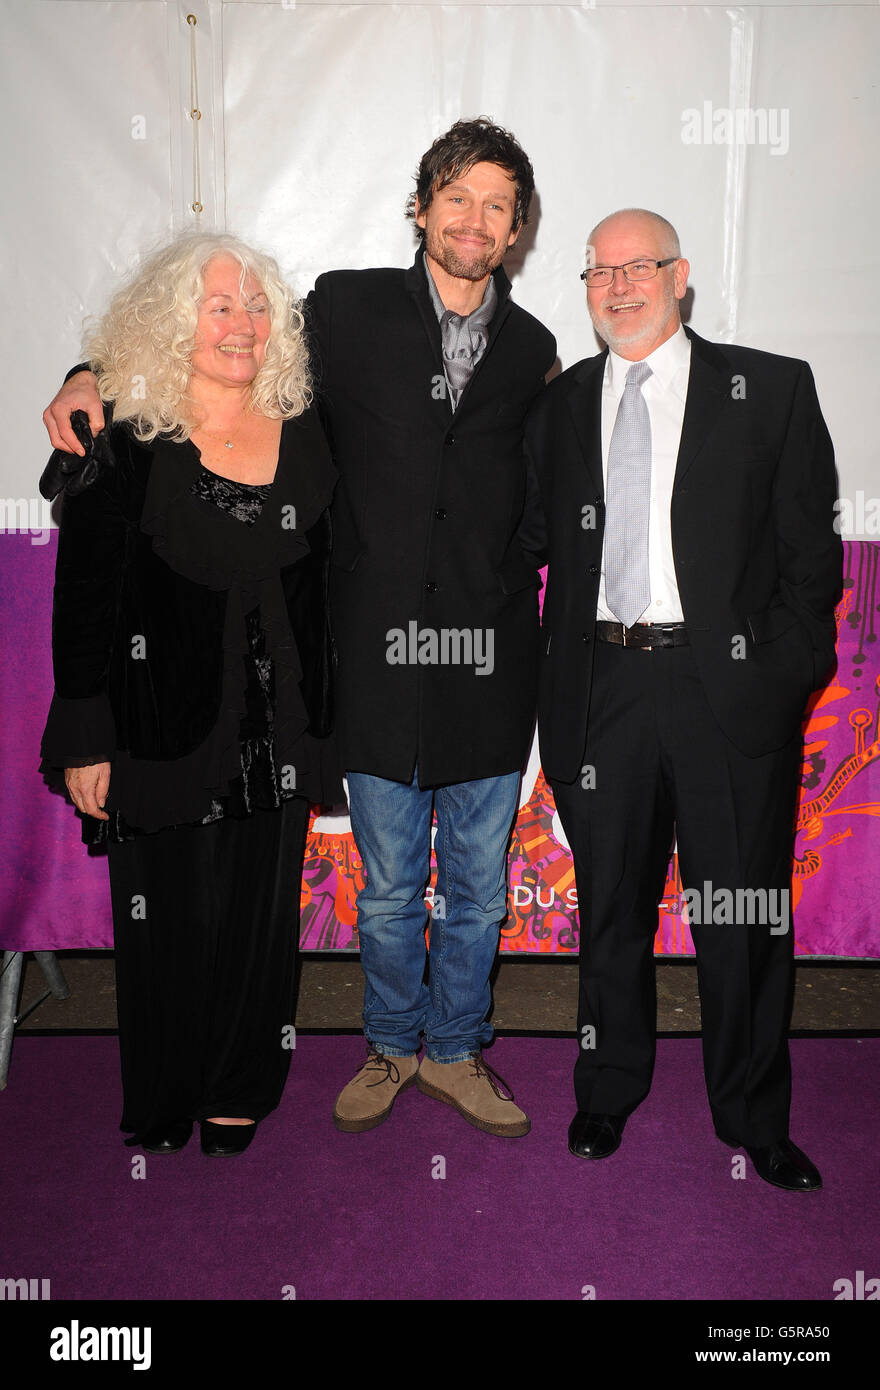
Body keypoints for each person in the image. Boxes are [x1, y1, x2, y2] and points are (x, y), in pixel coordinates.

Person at [45, 117, 556, 1140]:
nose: (474, 219)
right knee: (385, 892)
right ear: (420, 208)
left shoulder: (537, 349)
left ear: (516, 231)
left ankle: (455, 1051)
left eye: (496, 205)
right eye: (455, 197)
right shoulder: (345, 308)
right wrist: (90, 367)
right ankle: (387, 1045)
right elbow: (214, 331)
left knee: (475, 890)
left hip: (487, 667)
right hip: (367, 669)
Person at [525, 209, 842, 1190]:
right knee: (610, 906)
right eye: (598, 272)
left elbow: (809, 557)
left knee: (739, 911)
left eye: (639, 267)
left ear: (681, 276)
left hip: (725, 690)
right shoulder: (561, 405)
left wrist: (776, 674)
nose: (618, 286)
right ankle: (605, 1086)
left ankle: (753, 1112)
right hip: (601, 687)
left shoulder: (769, 389)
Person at [40, 233, 340, 1157]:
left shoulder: (314, 426)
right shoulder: (122, 435)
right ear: (174, 323)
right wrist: (84, 734)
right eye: (218, 307)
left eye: (255, 307)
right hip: (156, 724)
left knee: (259, 919)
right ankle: (165, 1091)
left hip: (280, 727)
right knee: (161, 915)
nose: (241, 325)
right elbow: (85, 594)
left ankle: (238, 1086)